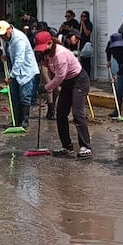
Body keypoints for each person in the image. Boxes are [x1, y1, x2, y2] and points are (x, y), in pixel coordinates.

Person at [35, 31, 92, 159]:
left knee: (77, 113)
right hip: (67, 81)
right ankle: (67, 146)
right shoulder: (47, 53)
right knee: (61, 113)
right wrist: (44, 62)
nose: (42, 51)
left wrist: (45, 88)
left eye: (44, 48)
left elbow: (59, 78)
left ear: (50, 43)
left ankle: (86, 147)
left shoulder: (60, 54)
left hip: (79, 80)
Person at [0, 20, 38, 129]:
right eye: (1, 35)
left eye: (4, 34)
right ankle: (15, 120)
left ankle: (25, 120)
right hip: (14, 70)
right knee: (14, 97)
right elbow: (5, 52)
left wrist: (11, 76)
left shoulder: (19, 39)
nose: (3, 37)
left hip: (26, 71)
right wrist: (4, 57)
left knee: (24, 96)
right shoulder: (4, 39)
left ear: (10, 29)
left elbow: (19, 60)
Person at [105, 32, 123, 119]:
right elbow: (107, 51)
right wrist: (108, 60)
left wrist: (116, 76)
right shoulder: (110, 44)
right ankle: (116, 111)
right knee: (119, 89)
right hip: (121, 67)